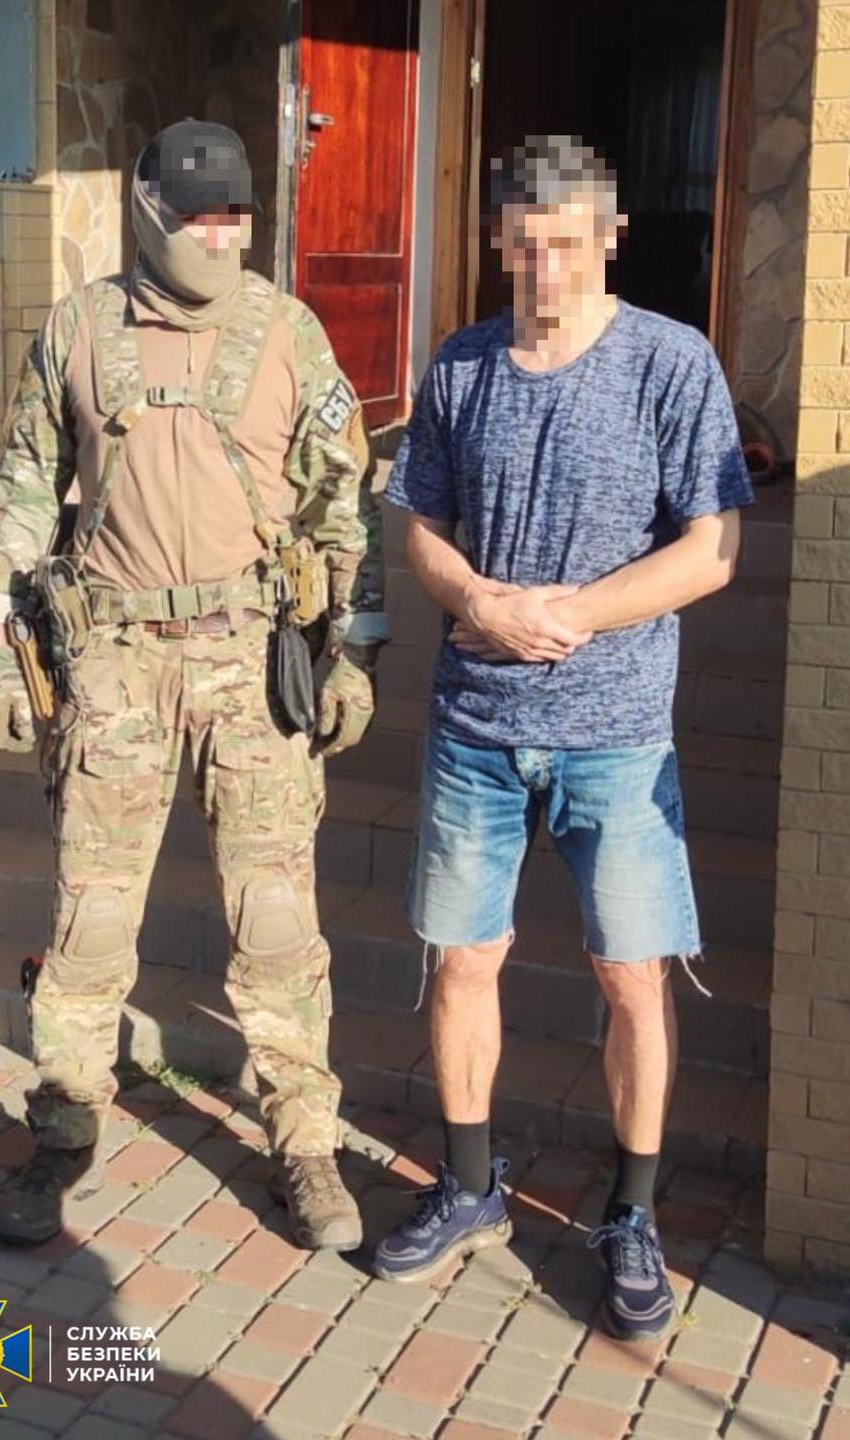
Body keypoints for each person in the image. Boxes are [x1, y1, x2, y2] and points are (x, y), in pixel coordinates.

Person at [0, 120, 387, 1252]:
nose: (218, 233)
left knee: (277, 921)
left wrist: (355, 652)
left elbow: (342, 503)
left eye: (234, 215)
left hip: (252, 662)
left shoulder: (287, 333)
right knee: (91, 918)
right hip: (114, 665)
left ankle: (304, 1142)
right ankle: (63, 1127)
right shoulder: (78, 328)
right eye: (198, 214)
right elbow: (25, 483)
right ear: (149, 212)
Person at [375, 136, 752, 1341]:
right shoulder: (461, 363)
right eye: (525, 248)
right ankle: (469, 1185)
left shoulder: (670, 361)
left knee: (632, 974)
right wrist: (479, 601)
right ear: (500, 240)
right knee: (462, 960)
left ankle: (632, 1217)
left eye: (569, 248)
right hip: (475, 727)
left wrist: (575, 614)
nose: (546, 272)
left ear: (610, 237)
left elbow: (713, 548)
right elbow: (423, 527)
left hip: (618, 736)